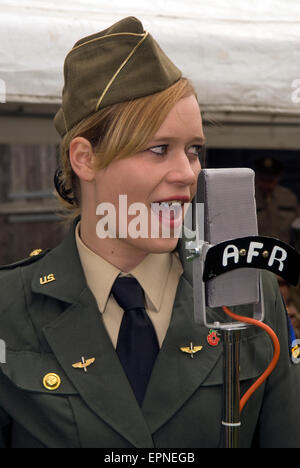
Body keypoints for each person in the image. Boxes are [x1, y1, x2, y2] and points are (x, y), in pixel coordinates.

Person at [0, 16, 299, 449]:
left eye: (193, 150)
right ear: (85, 159)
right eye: (159, 149)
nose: (187, 173)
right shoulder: (10, 306)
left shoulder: (246, 289)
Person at [255, 156, 300, 244]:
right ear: (257, 177)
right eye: (263, 179)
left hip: (283, 249)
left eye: (271, 180)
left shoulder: (288, 198)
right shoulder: (249, 198)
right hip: (256, 250)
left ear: (278, 177)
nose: (266, 185)